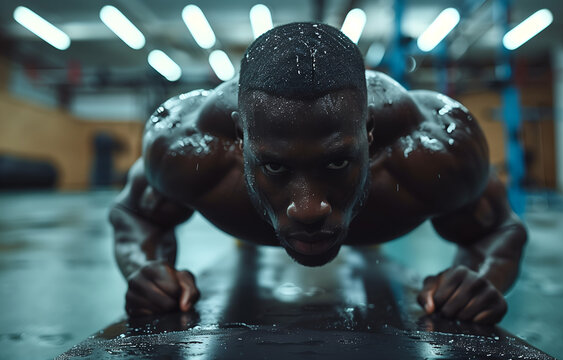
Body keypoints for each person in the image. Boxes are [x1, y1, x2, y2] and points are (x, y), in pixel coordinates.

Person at [110, 22, 527, 324]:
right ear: (241, 138)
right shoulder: (188, 147)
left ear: (369, 133)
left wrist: (477, 280)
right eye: (274, 165)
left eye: (336, 162)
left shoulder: (432, 149)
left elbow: (498, 228)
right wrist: (145, 270)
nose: (309, 209)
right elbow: (135, 213)